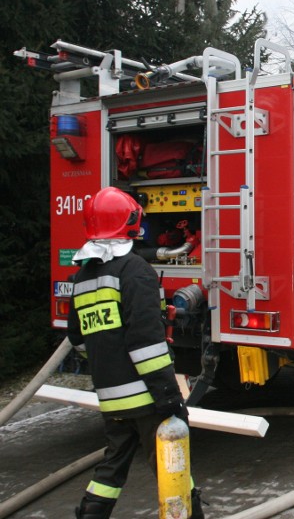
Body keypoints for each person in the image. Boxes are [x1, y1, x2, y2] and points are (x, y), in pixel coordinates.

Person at [67, 187, 204, 518]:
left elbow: (80, 339)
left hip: (110, 396)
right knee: (173, 467)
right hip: (145, 399)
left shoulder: (83, 276)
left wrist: (113, 361)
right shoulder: (135, 270)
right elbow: (146, 347)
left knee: (112, 468)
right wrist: (170, 399)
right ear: (131, 223)